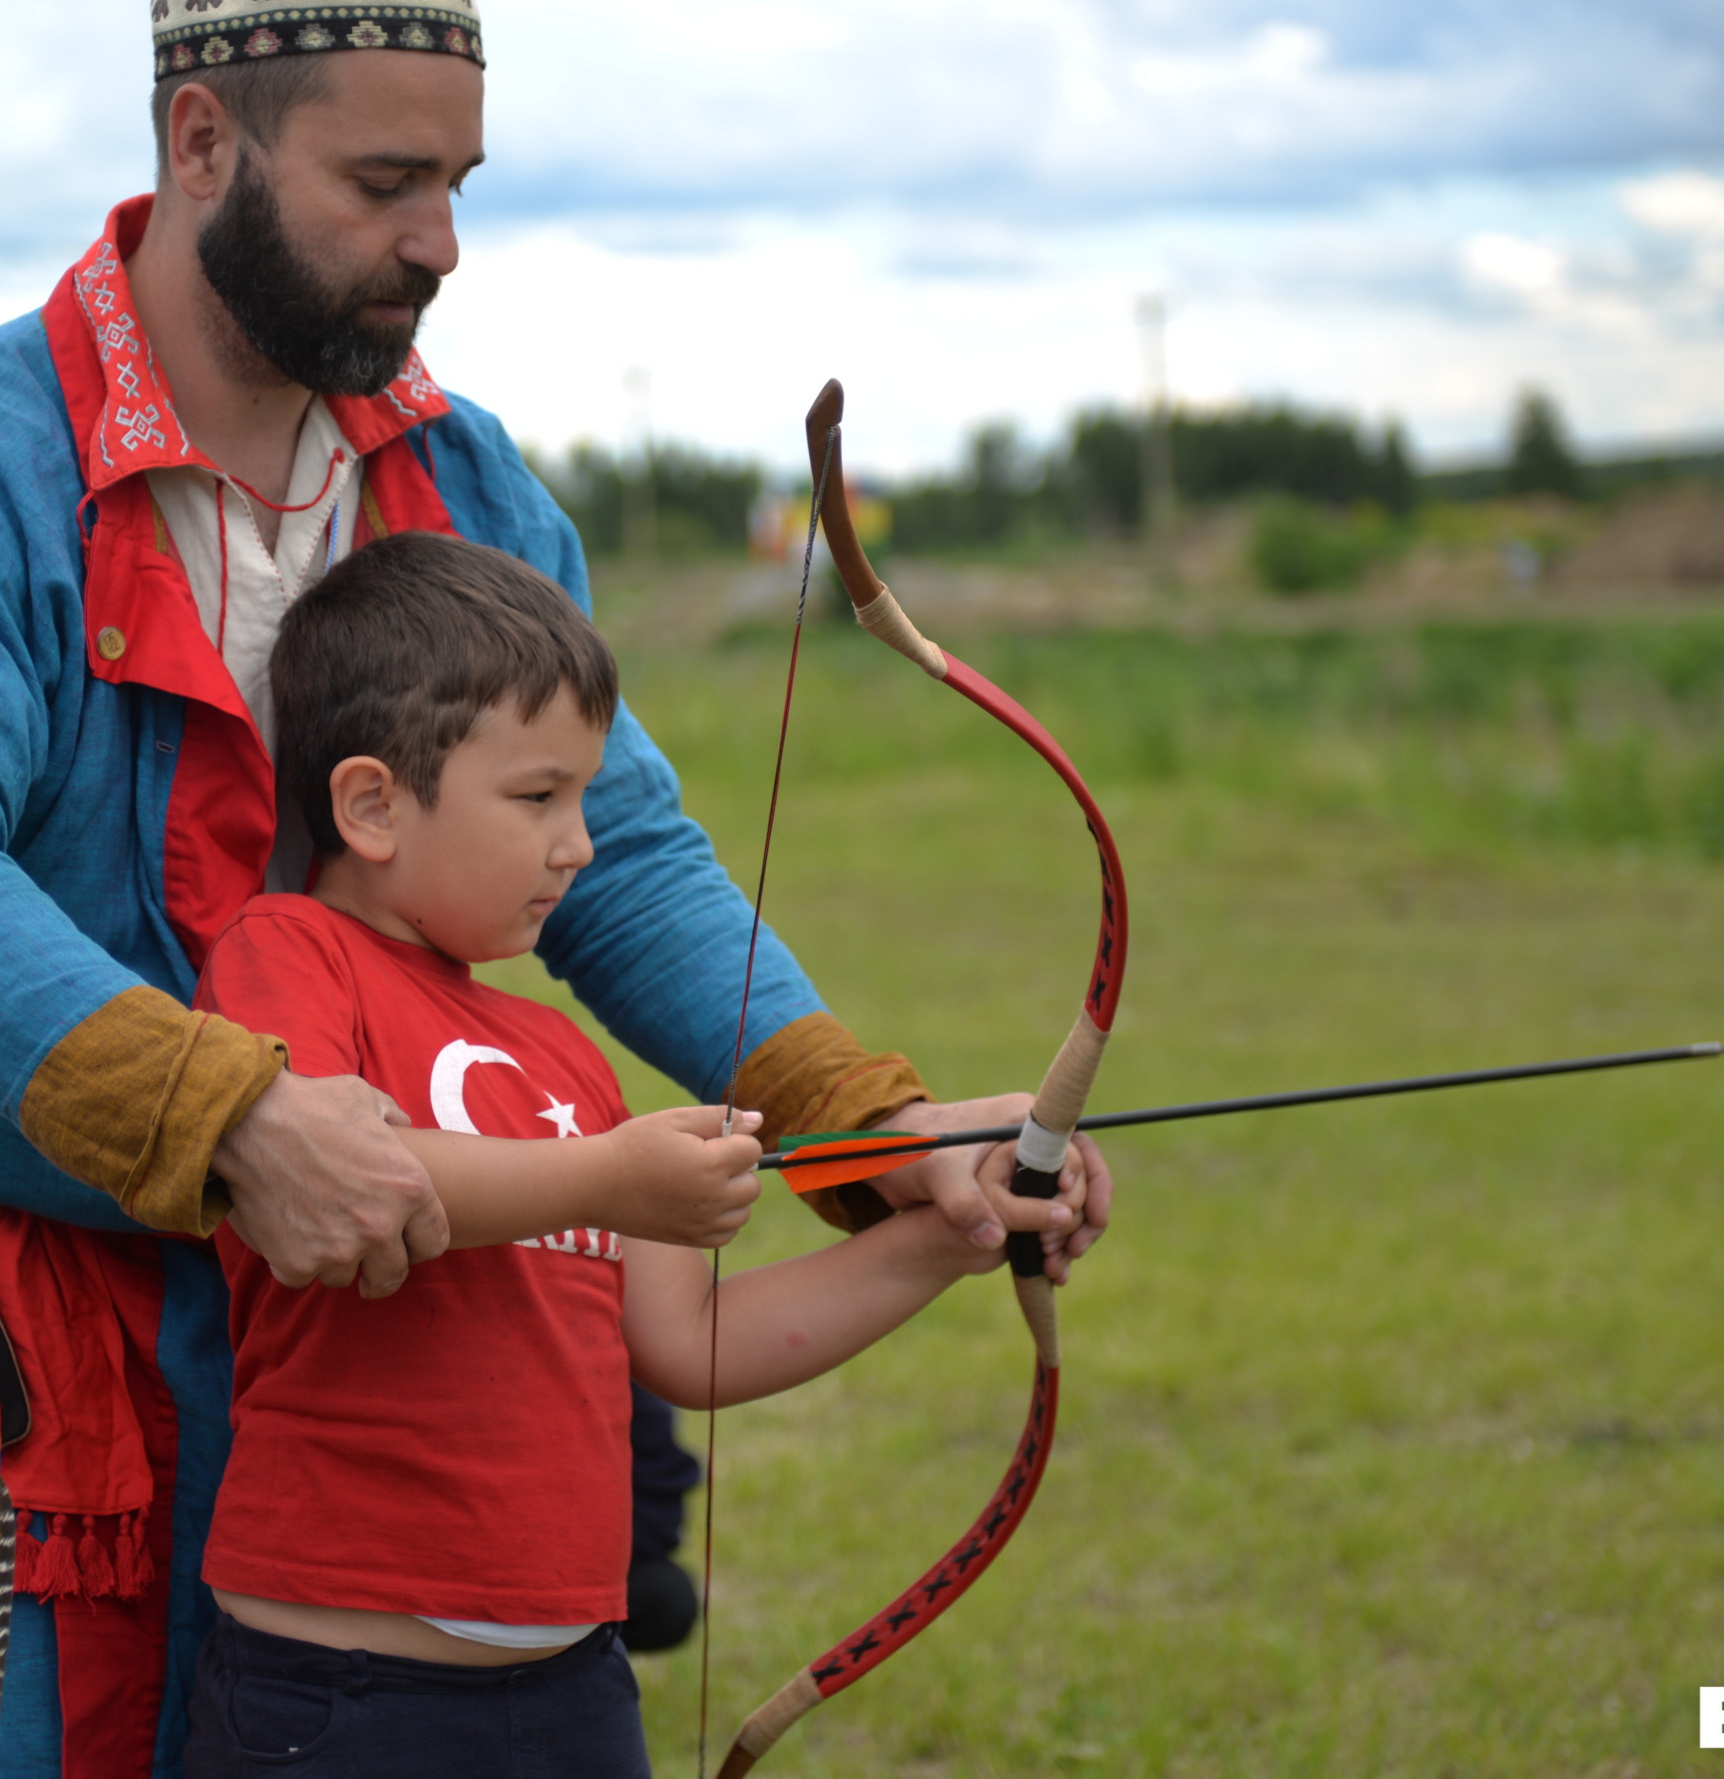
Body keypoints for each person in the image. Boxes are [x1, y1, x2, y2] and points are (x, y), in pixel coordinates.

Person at [0, 0, 1111, 1779]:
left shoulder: (467, 479)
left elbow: (616, 845)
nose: (437, 242)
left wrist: (871, 1124)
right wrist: (231, 1116)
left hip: (354, 1318)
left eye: (455, 182)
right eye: (383, 182)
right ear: (202, 143)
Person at [180, 534, 1074, 1777]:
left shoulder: (564, 1057)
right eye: (538, 797)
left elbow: (688, 1345)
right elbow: (352, 1172)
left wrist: (953, 1228)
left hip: (573, 1686)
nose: (580, 844)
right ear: (371, 804)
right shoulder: (289, 956)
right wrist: (609, 1176)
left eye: (585, 799)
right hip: (340, 1694)